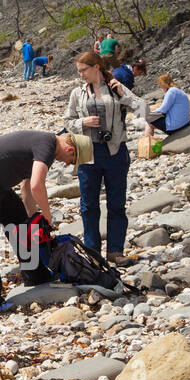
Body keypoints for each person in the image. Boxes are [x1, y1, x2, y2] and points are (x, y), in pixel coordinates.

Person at [0, 130, 92, 314]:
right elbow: (37, 184)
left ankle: (36, 275)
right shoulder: (47, 146)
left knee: (20, 225)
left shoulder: (46, 147)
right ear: (70, 150)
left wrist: (32, 218)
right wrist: (47, 215)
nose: (67, 164)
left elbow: (26, 186)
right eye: (71, 161)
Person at [65, 51, 148, 265]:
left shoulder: (115, 87)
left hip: (115, 151)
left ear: (96, 67)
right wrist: (83, 122)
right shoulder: (77, 93)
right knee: (88, 205)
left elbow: (143, 109)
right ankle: (93, 254)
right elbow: (68, 120)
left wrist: (122, 92)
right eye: (79, 71)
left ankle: (115, 252)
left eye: (83, 70)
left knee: (117, 204)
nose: (81, 75)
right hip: (87, 151)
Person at [146, 73, 190, 140]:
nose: (161, 88)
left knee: (148, 121)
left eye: (161, 86)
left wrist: (150, 113)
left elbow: (163, 109)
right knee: (154, 118)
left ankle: (147, 144)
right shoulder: (179, 90)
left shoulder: (171, 91)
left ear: (163, 84)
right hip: (186, 123)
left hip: (176, 126)